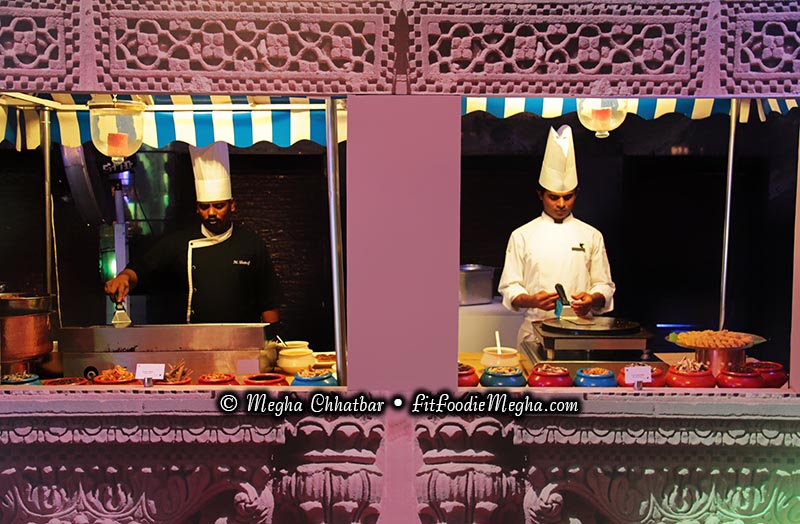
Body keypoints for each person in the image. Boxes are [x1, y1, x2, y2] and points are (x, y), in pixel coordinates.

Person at [104, 142, 281, 324]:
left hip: (242, 339)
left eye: (219, 206)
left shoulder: (251, 243)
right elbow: (143, 268)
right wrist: (125, 277)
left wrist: (272, 338)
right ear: (197, 208)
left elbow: (268, 302)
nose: (211, 213)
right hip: (194, 338)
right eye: (204, 207)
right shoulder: (180, 242)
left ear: (232, 205)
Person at [498, 125, 615, 347]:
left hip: (582, 331)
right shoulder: (522, 235)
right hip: (535, 331)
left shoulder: (592, 235)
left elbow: (604, 285)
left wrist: (592, 299)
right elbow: (510, 287)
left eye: (567, 197)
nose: (561, 204)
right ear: (540, 195)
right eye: (553, 197)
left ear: (576, 195)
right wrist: (532, 300)